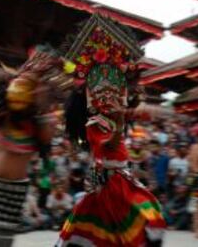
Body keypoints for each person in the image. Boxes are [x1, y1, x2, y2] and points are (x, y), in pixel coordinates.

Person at [58, 14, 166, 246]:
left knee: (144, 221)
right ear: (92, 97)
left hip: (121, 180)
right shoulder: (94, 123)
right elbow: (110, 145)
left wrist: (127, 108)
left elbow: (134, 105)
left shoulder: (115, 116)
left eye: (114, 89)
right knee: (118, 231)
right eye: (102, 90)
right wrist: (118, 122)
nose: (109, 95)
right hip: (110, 185)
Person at [0, 47, 66, 247]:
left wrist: (42, 103)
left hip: (12, 196)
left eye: (31, 90)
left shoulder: (42, 123)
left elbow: (45, 139)